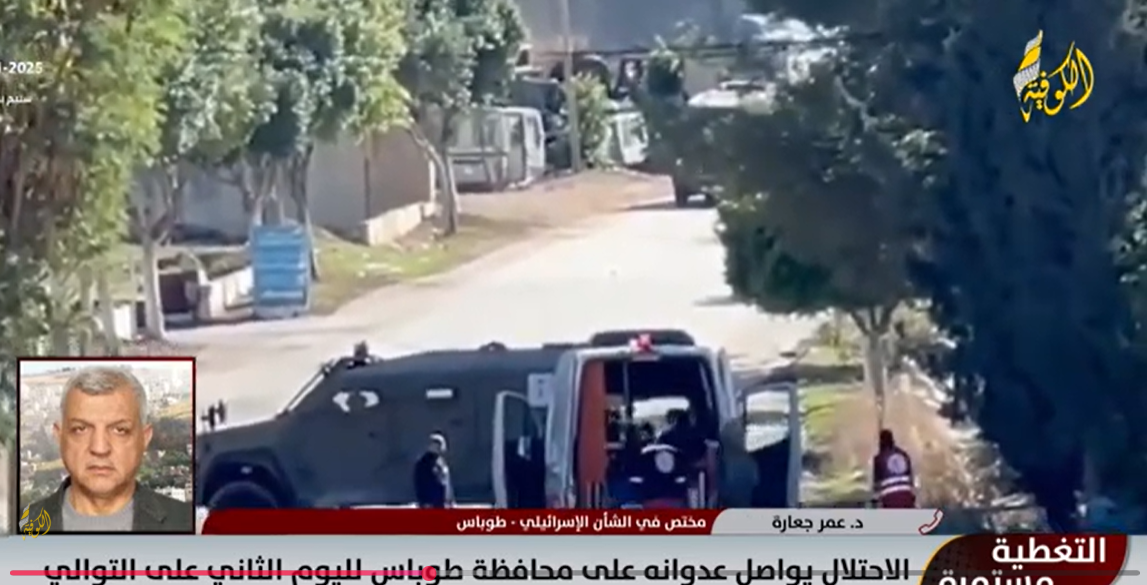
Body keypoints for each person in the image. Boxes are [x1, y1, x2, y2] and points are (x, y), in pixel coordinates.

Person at [20, 366, 193, 533]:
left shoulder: (186, 524)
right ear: (59, 436)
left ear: (144, 438)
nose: (100, 448)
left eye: (120, 430)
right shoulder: (20, 526)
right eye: (80, 429)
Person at [872, 429, 916, 508]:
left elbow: (876, 486)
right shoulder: (904, 455)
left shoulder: (878, 458)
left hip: (889, 500)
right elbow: (911, 480)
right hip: (907, 498)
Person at [413, 433, 453, 508]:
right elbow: (420, 484)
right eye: (437, 445)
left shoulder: (441, 462)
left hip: (442, 504)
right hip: (429, 504)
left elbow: (446, 483)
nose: (440, 448)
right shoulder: (423, 464)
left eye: (441, 445)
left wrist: (450, 501)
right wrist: (424, 502)